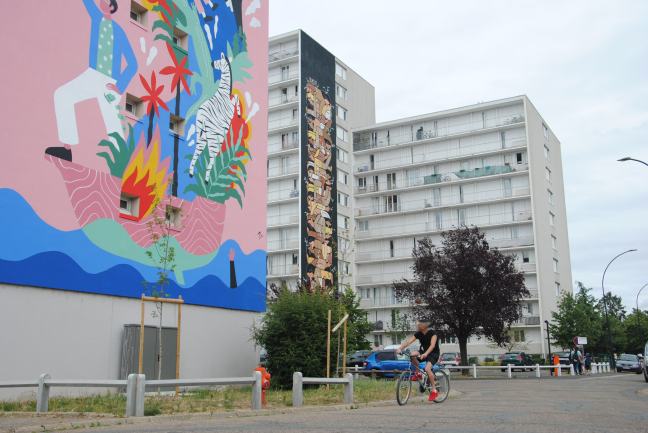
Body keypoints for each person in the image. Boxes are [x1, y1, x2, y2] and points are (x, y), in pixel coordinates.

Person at [46, 0, 138, 162]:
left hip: (109, 82)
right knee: (62, 95)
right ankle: (67, 149)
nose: (102, 2)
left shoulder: (119, 31)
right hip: (92, 75)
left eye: (106, 1)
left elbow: (133, 64)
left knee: (112, 122)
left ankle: (122, 162)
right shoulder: (97, 18)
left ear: (112, 6)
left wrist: (120, 86)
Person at [396, 321, 440, 402]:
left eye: (419, 324)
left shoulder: (433, 333)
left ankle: (434, 390)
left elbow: (432, 345)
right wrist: (400, 348)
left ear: (425, 325)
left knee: (427, 369)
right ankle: (418, 373)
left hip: (433, 354)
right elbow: (408, 341)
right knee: (412, 355)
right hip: (423, 352)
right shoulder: (419, 333)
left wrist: (426, 354)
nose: (417, 326)